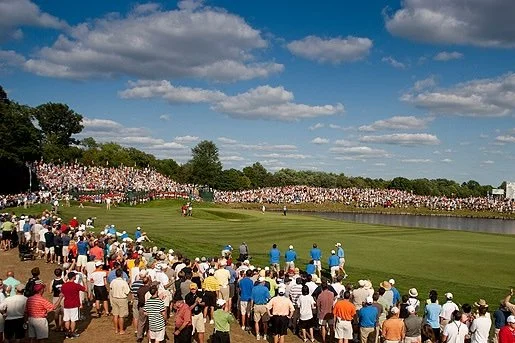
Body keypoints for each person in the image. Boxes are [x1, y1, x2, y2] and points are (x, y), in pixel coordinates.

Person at [60, 271, 87, 339]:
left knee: (66, 319)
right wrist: (84, 282)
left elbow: (61, 294)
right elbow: (85, 289)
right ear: (73, 277)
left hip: (66, 305)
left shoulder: (64, 285)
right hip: (74, 305)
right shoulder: (76, 285)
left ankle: (67, 333)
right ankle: (72, 333)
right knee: (73, 320)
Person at [109, 268, 130, 334]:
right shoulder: (124, 282)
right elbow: (127, 292)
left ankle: (116, 329)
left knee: (115, 315)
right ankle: (121, 330)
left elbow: (111, 289)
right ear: (121, 274)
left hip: (114, 298)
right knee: (121, 316)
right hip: (122, 299)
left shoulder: (113, 281)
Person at [252, 277, 270, 341]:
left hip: (256, 305)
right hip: (264, 306)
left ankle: (257, 335)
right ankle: (265, 335)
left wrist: (252, 306)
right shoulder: (265, 289)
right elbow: (269, 297)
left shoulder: (254, 288)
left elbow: (252, 299)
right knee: (265, 322)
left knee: (256, 321)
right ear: (262, 282)